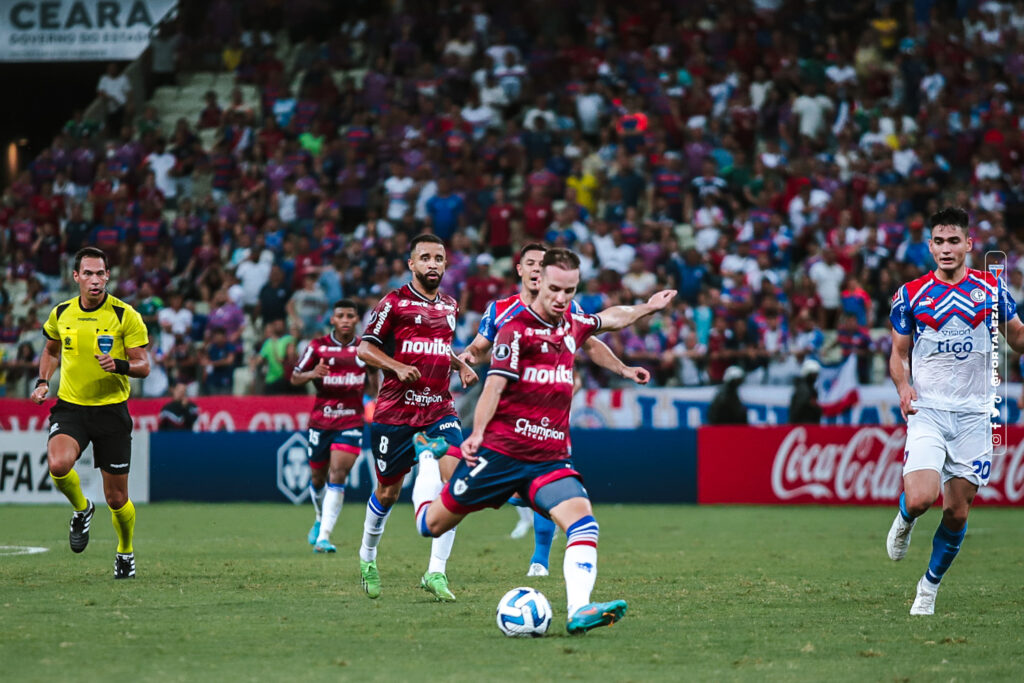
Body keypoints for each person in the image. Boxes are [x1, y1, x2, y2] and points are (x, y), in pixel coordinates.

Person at [414, 248, 676, 634]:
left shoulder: (571, 322)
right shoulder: (515, 329)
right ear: (539, 282)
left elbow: (610, 319)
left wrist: (648, 308)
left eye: (569, 290)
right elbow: (494, 387)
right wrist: (478, 435)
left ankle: (579, 610)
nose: (561, 298)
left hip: (549, 458)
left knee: (584, 524)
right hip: (501, 454)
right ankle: (425, 459)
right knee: (430, 525)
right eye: (555, 288)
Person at [458, 242, 648, 577]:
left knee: (548, 481)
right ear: (521, 269)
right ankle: (514, 493)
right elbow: (480, 344)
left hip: (546, 417)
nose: (535, 269)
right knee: (511, 486)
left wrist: (623, 369)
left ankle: (539, 560)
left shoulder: (566, 308)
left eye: (540, 264)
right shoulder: (500, 310)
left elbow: (591, 341)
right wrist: (469, 356)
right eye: (529, 263)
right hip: (505, 413)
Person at [886, 207, 1024, 615]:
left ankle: (927, 589)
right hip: (929, 410)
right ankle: (905, 518)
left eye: (954, 241)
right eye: (939, 241)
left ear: (968, 244)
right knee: (922, 497)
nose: (946, 249)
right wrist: (902, 385)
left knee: (957, 510)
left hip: (976, 416)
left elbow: (1017, 339)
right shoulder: (910, 294)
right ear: (930, 246)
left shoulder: (992, 290)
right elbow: (897, 353)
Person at [355, 234, 478, 601]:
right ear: (411, 264)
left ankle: (436, 572)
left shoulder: (451, 306)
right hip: (395, 411)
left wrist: (459, 365)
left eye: (438, 258)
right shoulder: (393, 303)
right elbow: (364, 348)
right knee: (388, 492)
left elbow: (439, 347)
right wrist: (395, 366)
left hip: (439, 407)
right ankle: (367, 556)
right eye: (424, 257)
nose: (432, 264)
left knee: (457, 481)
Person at [30, 247, 150, 579]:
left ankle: (125, 552)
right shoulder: (62, 313)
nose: (95, 280)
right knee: (58, 464)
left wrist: (121, 365)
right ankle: (82, 509)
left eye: (100, 274)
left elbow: (144, 366)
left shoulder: (125, 315)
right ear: (76, 277)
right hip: (71, 407)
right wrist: (43, 381)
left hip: (111, 412)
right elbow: (52, 350)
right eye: (88, 274)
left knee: (117, 498)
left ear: (108, 276)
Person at [291, 299, 379, 553]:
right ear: (332, 319)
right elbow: (295, 376)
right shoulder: (318, 347)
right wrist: (312, 374)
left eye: (350, 315)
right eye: (340, 315)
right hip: (321, 421)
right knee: (318, 478)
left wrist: (376, 394)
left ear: (356, 320)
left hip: (351, 419)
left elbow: (374, 377)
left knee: (337, 473)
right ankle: (319, 520)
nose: (345, 320)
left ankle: (324, 537)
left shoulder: (365, 348)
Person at [789, 359, 822, 424]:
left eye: (817, 375)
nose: (816, 377)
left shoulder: (810, 388)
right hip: (804, 425)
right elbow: (798, 408)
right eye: (814, 375)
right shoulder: (804, 389)